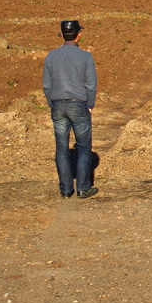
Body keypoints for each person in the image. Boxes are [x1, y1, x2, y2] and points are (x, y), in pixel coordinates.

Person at [42, 20, 98, 198]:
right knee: (83, 147)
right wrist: (90, 105)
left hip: (58, 104)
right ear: (78, 35)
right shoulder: (85, 57)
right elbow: (91, 85)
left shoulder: (51, 57)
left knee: (61, 148)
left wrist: (52, 103)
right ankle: (83, 187)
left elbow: (47, 85)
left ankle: (65, 190)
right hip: (79, 104)